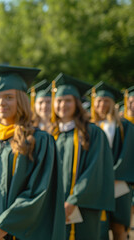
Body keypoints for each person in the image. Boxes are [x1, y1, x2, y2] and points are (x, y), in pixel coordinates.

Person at [0, 64, 65, 240]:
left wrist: (1, 228)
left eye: (8, 97)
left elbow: (39, 191)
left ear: (21, 100)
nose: (1, 103)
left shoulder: (40, 140)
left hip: (22, 232)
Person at [49, 73, 115, 240]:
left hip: (83, 206)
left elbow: (95, 169)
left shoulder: (92, 133)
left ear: (77, 104)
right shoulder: (51, 134)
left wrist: (73, 200)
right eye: (59, 101)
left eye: (68, 101)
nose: (63, 105)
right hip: (54, 206)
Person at [88, 82, 134, 240]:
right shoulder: (88, 125)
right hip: (95, 184)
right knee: (98, 228)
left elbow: (128, 153)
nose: (102, 104)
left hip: (118, 183)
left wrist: (111, 175)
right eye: (99, 101)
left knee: (119, 227)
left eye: (106, 100)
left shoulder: (124, 125)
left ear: (113, 103)